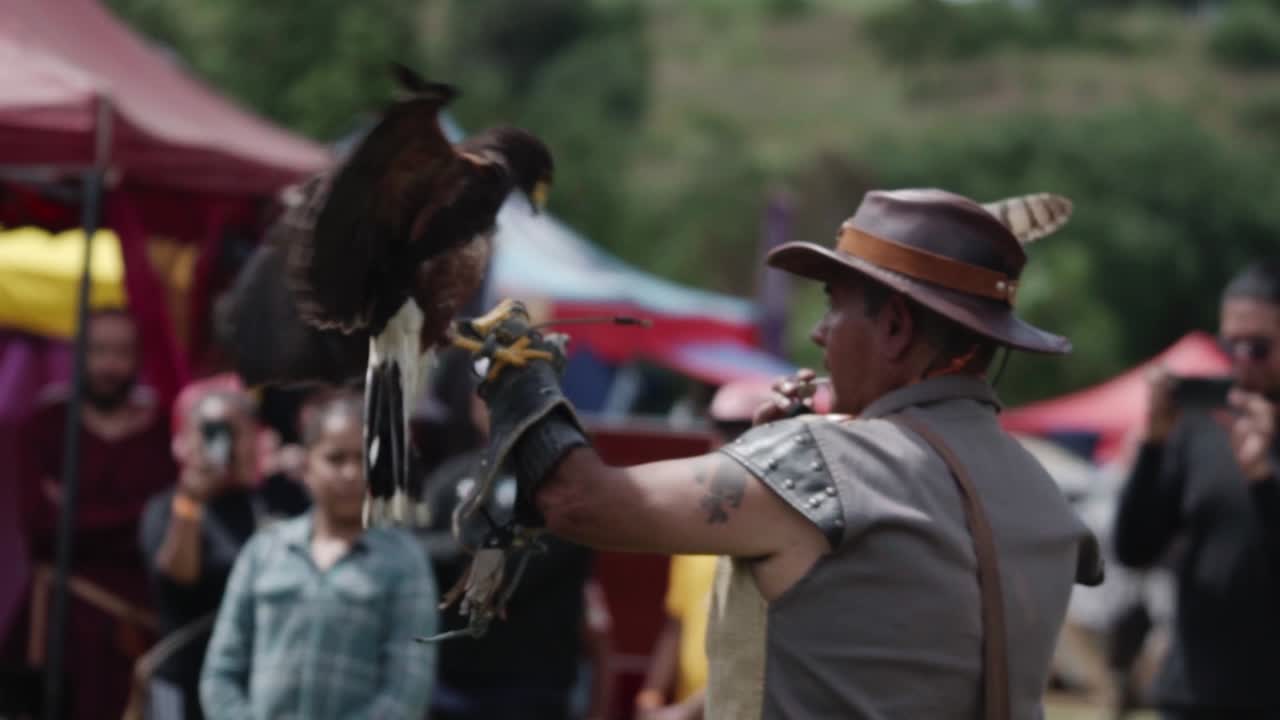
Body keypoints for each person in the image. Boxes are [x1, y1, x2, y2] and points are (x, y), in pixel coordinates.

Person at [468, 188, 1103, 718]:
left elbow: (580, 501)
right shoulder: (1042, 492)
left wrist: (517, 369)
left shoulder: (820, 463)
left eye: (834, 305)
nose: (817, 331)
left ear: (897, 328)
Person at [200, 388, 438, 720]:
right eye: (336, 458)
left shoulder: (403, 561)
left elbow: (407, 690)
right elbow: (220, 674)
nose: (351, 473)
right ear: (307, 463)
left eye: (363, 459)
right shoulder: (264, 551)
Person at [1113, 260, 1280, 719]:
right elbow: (1133, 548)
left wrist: (1262, 477)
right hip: (1191, 695)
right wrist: (1152, 444)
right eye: (1232, 344)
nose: (1242, 359)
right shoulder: (1200, 428)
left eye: (1259, 347)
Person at [13, 308, 176, 720]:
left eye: (121, 351)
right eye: (98, 350)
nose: (108, 364)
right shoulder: (47, 427)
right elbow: (41, 527)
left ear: (138, 357)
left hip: (136, 629)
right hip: (59, 626)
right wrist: (133, 515)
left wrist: (77, 511)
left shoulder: (161, 437)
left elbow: (159, 530)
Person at [424, 396, 613, 720]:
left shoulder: (564, 488)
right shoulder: (449, 477)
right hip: (447, 690)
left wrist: (459, 555)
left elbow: (492, 577)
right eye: (489, 395)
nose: (501, 406)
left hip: (532, 695)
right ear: (473, 406)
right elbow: (410, 553)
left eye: (514, 394)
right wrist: (464, 553)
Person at [136, 376, 309, 719]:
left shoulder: (282, 498)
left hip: (269, 683)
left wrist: (308, 474)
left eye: (233, 432)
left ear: (256, 437)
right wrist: (191, 503)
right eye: (209, 432)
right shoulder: (167, 507)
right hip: (188, 684)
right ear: (182, 442)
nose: (221, 445)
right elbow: (179, 577)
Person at [635, 380, 786, 720]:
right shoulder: (696, 529)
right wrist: (651, 695)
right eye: (722, 428)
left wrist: (684, 712)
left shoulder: (778, 532)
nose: (728, 442)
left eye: (740, 430)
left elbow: (762, 654)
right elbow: (676, 623)